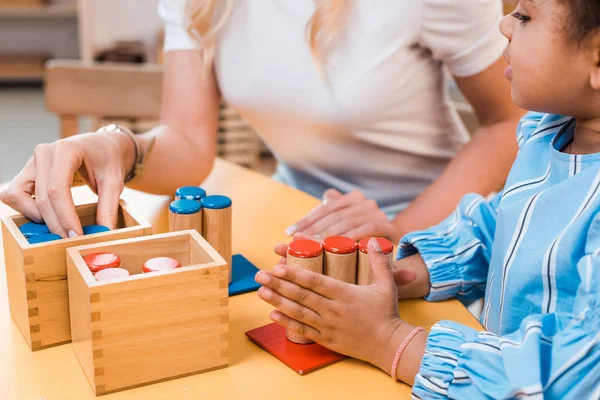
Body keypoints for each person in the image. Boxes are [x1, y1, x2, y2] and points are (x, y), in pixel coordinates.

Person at [256, 0, 600, 397]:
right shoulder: (550, 132)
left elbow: (572, 373)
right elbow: (499, 227)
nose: (504, 24)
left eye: (524, 17)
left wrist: (387, 341)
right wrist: (398, 274)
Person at [0, 0, 522, 243]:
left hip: (444, 230)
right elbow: (187, 143)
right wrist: (117, 146)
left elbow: (510, 123)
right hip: (300, 218)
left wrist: (402, 231)